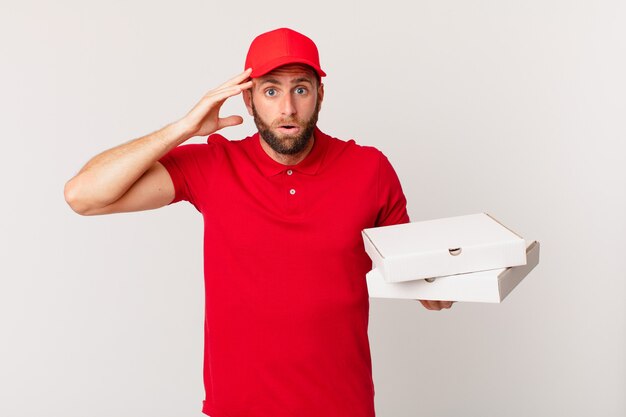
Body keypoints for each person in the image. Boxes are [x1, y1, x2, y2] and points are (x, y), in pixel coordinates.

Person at [64, 27, 453, 417]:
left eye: (300, 89)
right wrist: (183, 129)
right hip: (238, 408)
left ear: (320, 94)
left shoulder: (369, 169)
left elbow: (421, 283)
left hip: (342, 406)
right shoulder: (213, 164)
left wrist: (451, 284)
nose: (287, 108)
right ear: (248, 100)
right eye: (271, 91)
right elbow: (84, 196)